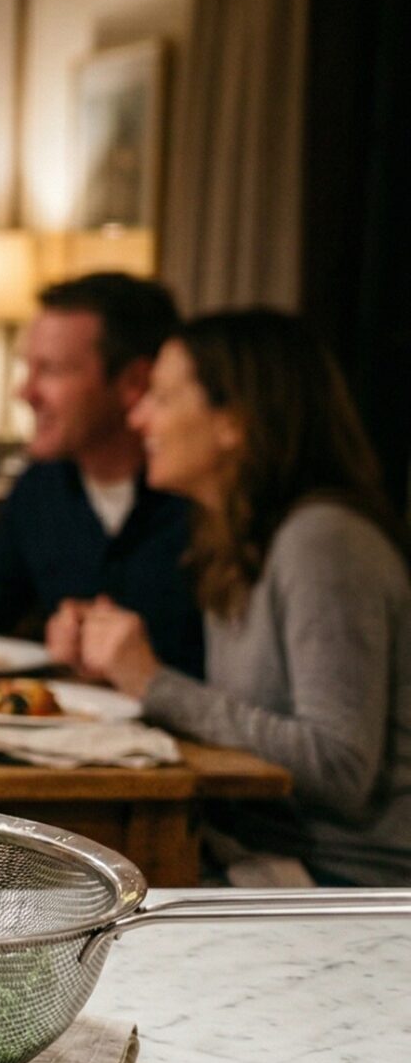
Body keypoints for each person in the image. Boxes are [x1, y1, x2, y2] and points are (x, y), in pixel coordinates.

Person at [59, 311, 410, 886]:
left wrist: (151, 683)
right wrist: (115, 675)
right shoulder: (239, 539)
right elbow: (251, 726)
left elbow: (340, 767)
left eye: (164, 398)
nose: (138, 415)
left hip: (344, 886)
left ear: (235, 423)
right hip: (256, 855)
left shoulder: (324, 540)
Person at [0, 273, 203, 675]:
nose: (25, 393)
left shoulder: (204, 501)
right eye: (27, 367)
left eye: (51, 370)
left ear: (134, 382)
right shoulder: (43, 485)